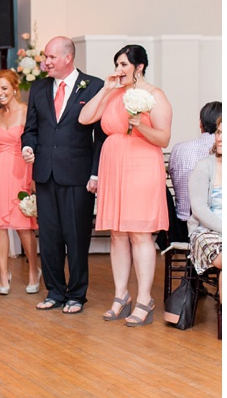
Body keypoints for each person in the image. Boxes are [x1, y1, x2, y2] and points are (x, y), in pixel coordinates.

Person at [79, 44, 172, 326]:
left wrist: (139, 125)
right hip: (114, 164)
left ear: (139, 66)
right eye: (117, 64)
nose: (119, 70)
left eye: (123, 65)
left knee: (140, 234)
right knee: (118, 233)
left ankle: (145, 298)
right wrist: (107, 89)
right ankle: (121, 295)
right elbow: (85, 118)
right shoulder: (114, 94)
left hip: (142, 163)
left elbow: (164, 138)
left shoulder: (155, 95)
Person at [21, 36, 105, 314]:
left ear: (68, 58)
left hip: (79, 175)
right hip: (45, 173)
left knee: (77, 236)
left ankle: (77, 295)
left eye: (51, 58)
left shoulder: (94, 86)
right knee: (49, 237)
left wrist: (95, 174)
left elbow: (100, 138)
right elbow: (30, 128)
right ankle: (54, 291)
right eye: (45, 57)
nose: (45, 62)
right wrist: (28, 146)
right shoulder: (39, 88)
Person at [0, 69, 40, 295]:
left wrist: (33, 177)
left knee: (24, 226)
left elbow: (35, 143)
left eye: (4, 88)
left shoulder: (26, 112)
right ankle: (4, 276)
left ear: (15, 88)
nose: (0, 93)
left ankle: (34, 271)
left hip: (21, 170)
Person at [169, 101, 222, 240]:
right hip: (208, 227)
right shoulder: (213, 157)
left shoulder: (179, 149)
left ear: (200, 123)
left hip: (180, 224)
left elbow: (174, 179)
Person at [188, 117, 222, 303]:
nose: (220, 138)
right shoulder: (205, 166)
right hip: (207, 232)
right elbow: (199, 209)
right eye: (219, 132)